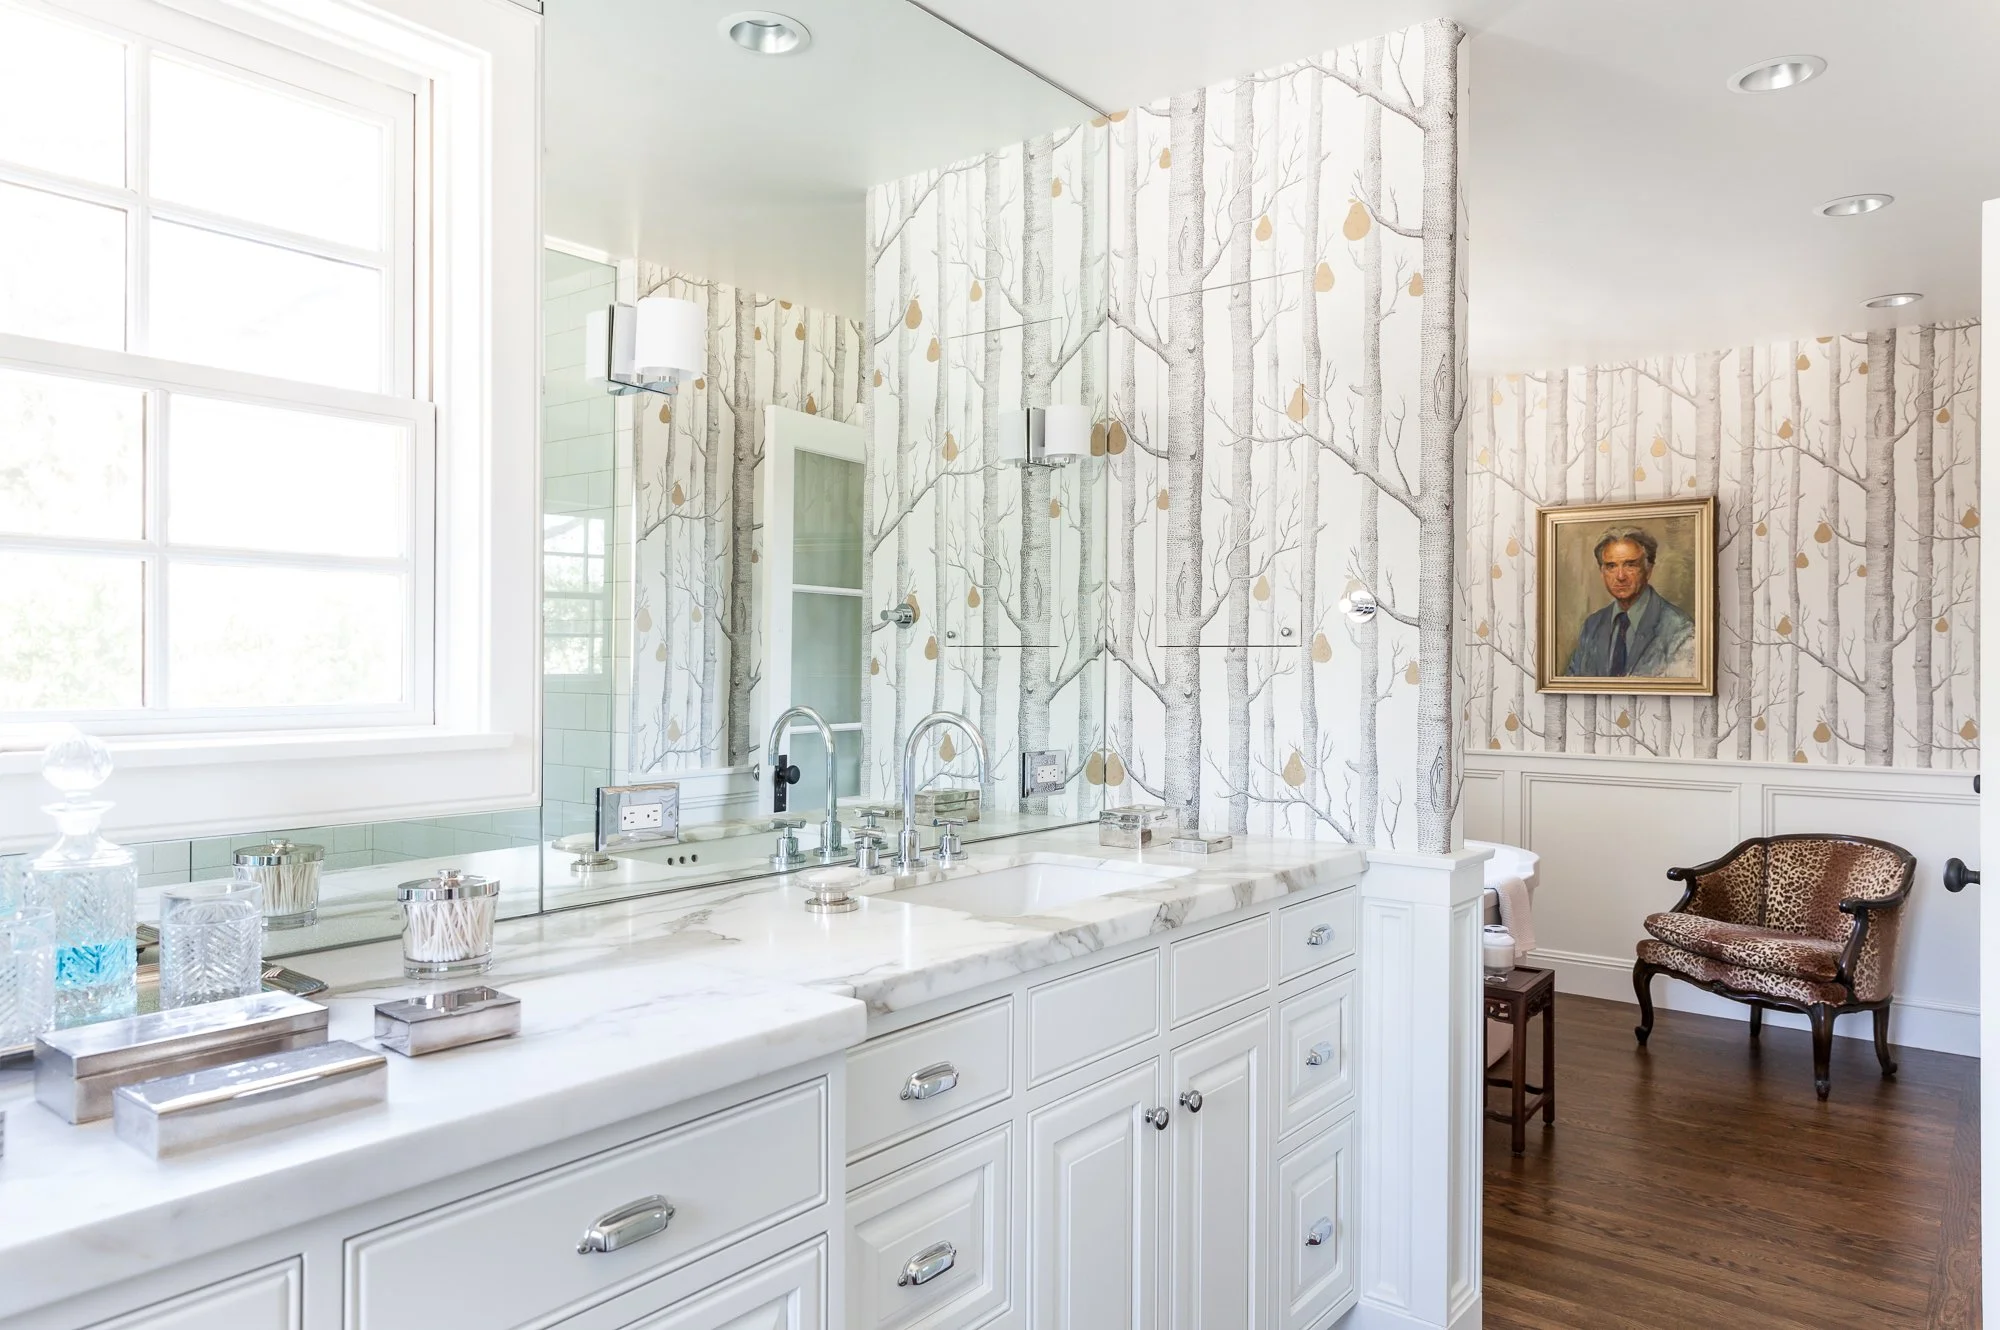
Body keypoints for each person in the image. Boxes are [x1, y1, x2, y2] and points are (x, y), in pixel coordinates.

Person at [1562, 525, 1694, 678]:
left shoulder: (1680, 630)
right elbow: (1571, 686)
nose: (1620, 576)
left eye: (1630, 565)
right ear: (1602, 572)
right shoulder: (1592, 626)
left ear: (1648, 569)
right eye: (1611, 566)